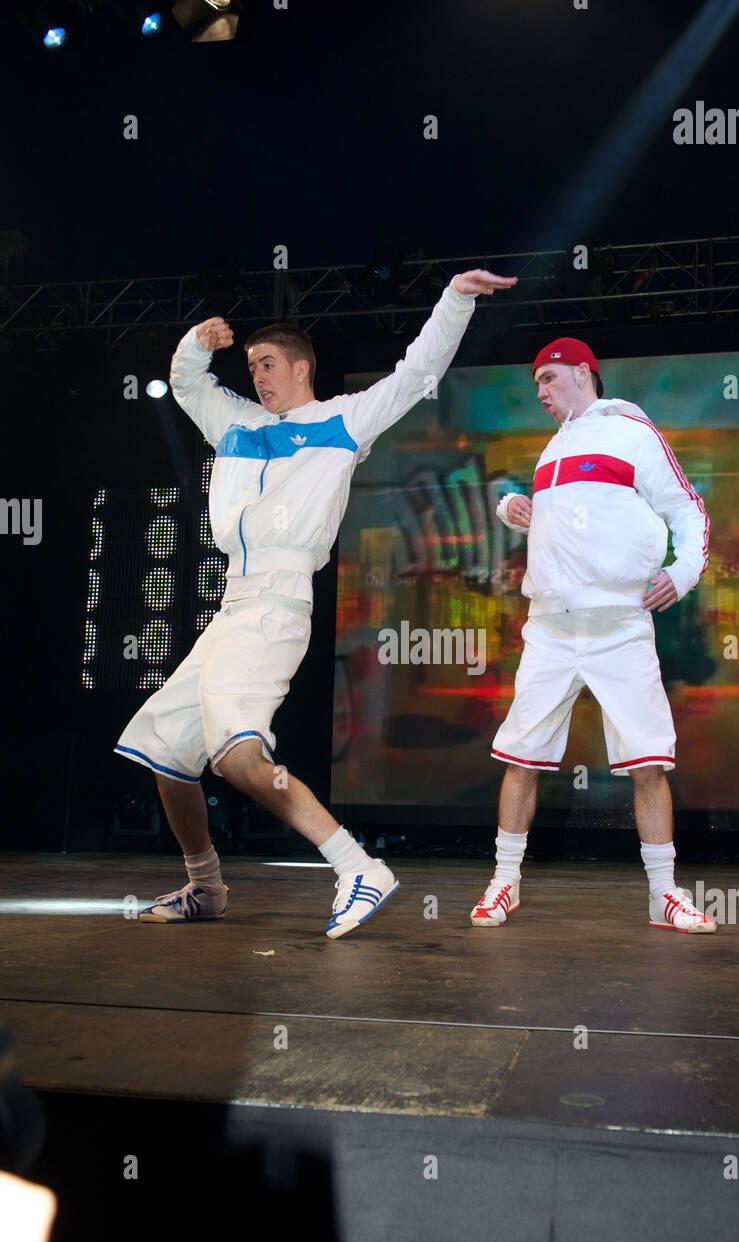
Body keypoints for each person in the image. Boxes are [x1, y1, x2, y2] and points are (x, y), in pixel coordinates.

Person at [115, 269, 516, 938]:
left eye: (267, 363)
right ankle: (205, 886)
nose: (258, 376)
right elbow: (188, 384)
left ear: (301, 367)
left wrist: (454, 299)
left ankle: (358, 866)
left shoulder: (342, 421)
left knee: (239, 758)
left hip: (276, 604)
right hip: (232, 606)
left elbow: (416, 375)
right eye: (250, 365)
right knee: (165, 751)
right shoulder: (235, 423)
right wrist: (195, 344)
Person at [471, 337, 716, 933]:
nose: (542, 394)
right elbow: (560, 529)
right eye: (536, 386)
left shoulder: (633, 434)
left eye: (550, 380)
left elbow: (690, 511)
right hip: (551, 629)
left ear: (584, 374)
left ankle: (664, 894)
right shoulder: (553, 450)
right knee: (521, 759)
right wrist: (514, 509)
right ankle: (504, 883)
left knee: (647, 764)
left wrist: (681, 574)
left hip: (619, 626)